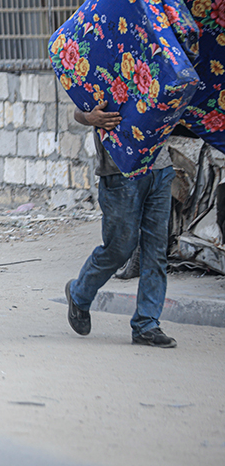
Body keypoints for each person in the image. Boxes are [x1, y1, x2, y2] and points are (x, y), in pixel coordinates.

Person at [65, 100, 177, 347]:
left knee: (156, 251)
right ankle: (79, 293)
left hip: (160, 168)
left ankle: (147, 324)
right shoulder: (106, 73)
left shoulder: (161, 73)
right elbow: (78, 109)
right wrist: (90, 118)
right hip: (120, 170)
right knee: (120, 248)